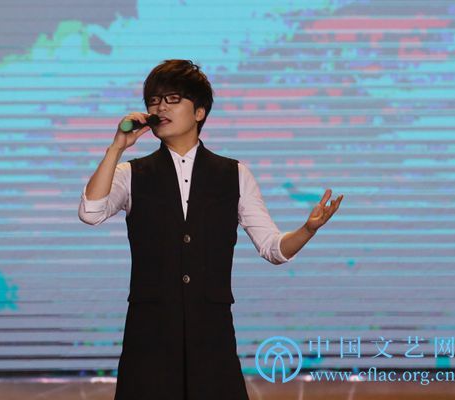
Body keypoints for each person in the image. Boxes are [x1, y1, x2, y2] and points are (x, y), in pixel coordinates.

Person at [78, 59, 343, 400]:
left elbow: (273, 248)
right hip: (150, 335)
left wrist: (308, 229)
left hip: (212, 335)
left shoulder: (234, 174)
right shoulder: (130, 173)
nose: (160, 107)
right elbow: (91, 212)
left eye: (173, 99)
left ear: (200, 112)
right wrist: (116, 147)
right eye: (154, 101)